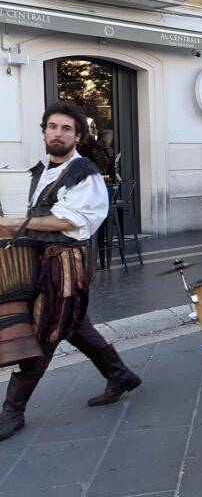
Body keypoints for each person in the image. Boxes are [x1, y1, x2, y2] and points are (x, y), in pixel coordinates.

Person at [0, 102, 142, 442]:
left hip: (65, 267)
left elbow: (70, 220)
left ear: (77, 135)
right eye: (52, 127)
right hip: (42, 264)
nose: (58, 133)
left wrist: (18, 222)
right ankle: (119, 374)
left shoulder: (85, 172)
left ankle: (12, 411)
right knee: (74, 324)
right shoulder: (43, 171)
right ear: (44, 131)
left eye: (66, 128)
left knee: (45, 333)